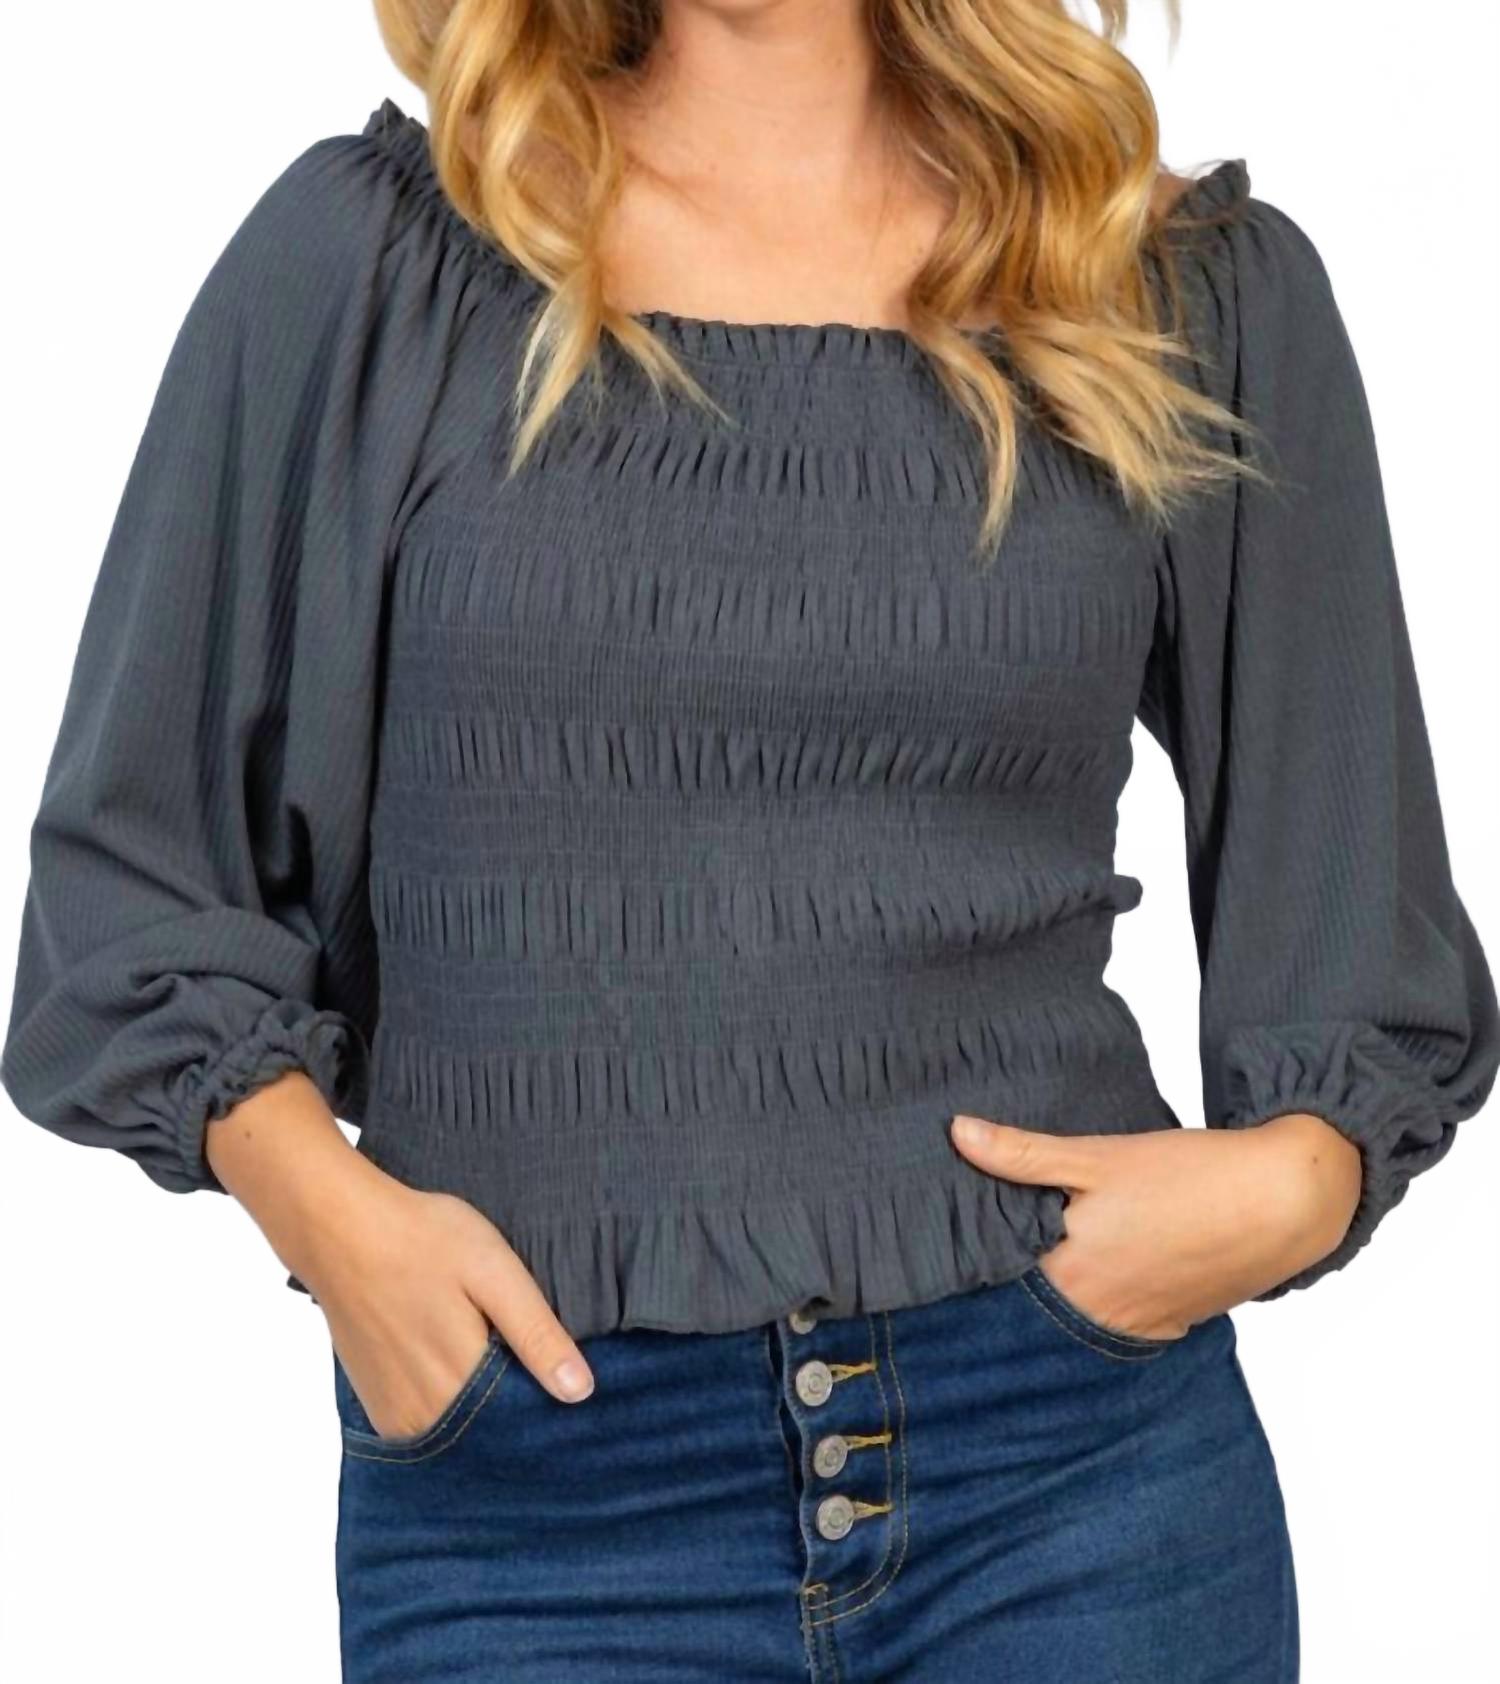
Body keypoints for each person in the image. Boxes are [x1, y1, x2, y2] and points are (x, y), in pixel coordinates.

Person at [4, 1, 1496, 1678]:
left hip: (1072, 1474)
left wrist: (1298, 1181)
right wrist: (340, 1229)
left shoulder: (1166, 284)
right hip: (542, 1499)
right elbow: (132, 882)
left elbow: (1354, 905)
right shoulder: (382, 266)